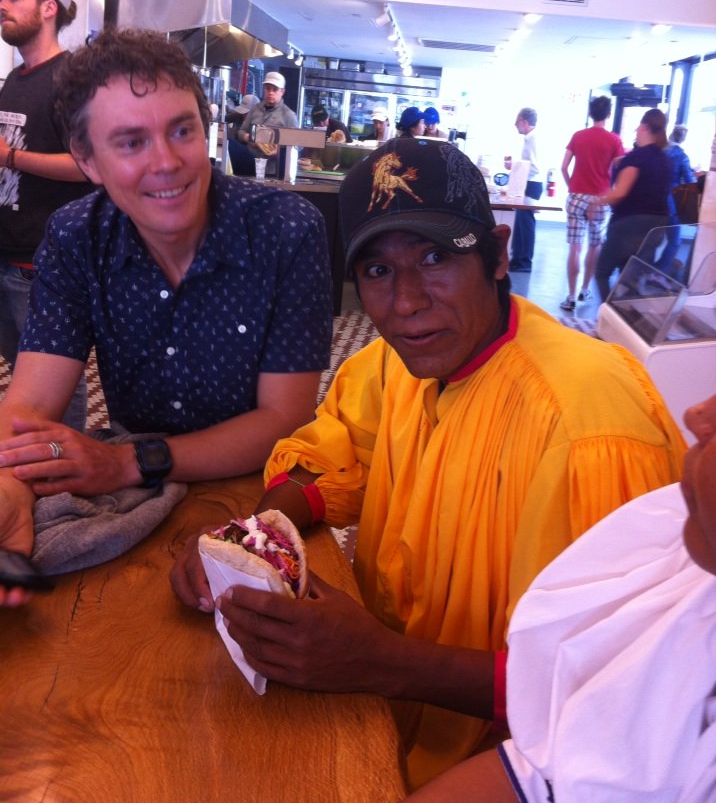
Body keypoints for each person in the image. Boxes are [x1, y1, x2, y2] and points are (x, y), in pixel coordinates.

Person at [170, 137, 685, 791]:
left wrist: (386, 664)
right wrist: (250, 537)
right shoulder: (400, 363)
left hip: (509, 767)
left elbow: (625, 693)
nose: (406, 303)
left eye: (436, 258)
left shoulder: (589, 426)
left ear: (499, 255)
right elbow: (340, 453)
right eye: (378, 271)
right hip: (380, 705)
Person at [0, 27, 332, 607]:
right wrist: (8, 484)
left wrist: (131, 461)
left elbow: (284, 417)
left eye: (181, 130)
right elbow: (29, 404)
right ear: (87, 160)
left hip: (259, 489)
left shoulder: (287, 229)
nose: (167, 163)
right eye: (130, 142)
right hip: (129, 487)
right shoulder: (78, 234)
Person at [406, 390, 716, 803]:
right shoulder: (688, 564)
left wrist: (385, 664)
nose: (696, 415)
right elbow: (552, 767)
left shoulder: (594, 427)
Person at [0, 0, 94, 432]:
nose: (2, 5)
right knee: (20, 376)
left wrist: (10, 158)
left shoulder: (70, 80)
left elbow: (89, 166)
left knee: (55, 379)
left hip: (43, 261)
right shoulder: (15, 81)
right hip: (7, 251)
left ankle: (68, 484)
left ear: (49, 8)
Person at [593, 107, 672, 302]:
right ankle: (625, 321)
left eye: (638, 126)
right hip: (658, 226)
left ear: (645, 127)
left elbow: (620, 193)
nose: (636, 129)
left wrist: (598, 201)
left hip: (630, 224)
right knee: (631, 279)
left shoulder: (636, 157)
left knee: (602, 272)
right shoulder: (664, 159)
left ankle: (608, 316)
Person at [559, 95, 625, 310]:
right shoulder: (614, 140)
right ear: (608, 114)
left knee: (575, 248)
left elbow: (563, 167)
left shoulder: (578, 136)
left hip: (576, 196)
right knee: (594, 246)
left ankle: (569, 296)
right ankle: (585, 290)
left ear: (590, 113)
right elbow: (617, 170)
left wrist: (572, 186)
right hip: (599, 199)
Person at [234, 71, 299, 176]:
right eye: (268, 88)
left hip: (272, 172)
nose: (270, 92)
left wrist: (279, 151)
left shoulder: (288, 115)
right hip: (248, 167)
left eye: (275, 89)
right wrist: (249, 138)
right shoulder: (255, 109)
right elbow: (240, 132)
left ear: (282, 91)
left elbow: (297, 145)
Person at [655, 123, 698, 276]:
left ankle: (643, 269)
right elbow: (690, 180)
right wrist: (696, 173)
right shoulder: (681, 155)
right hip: (670, 201)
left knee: (654, 238)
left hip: (653, 198)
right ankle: (658, 272)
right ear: (684, 138)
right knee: (674, 240)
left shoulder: (660, 150)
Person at [508, 107, 542, 273]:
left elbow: (535, 168)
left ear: (525, 122)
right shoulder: (530, 139)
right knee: (522, 223)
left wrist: (513, 166)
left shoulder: (535, 140)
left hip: (532, 184)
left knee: (526, 224)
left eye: (518, 121)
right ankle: (518, 259)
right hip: (528, 183)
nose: (515, 124)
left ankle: (524, 262)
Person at [226, 93, 260, 175]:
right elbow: (225, 118)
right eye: (242, 112)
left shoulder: (258, 125)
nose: (243, 115)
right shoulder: (239, 117)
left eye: (246, 113)